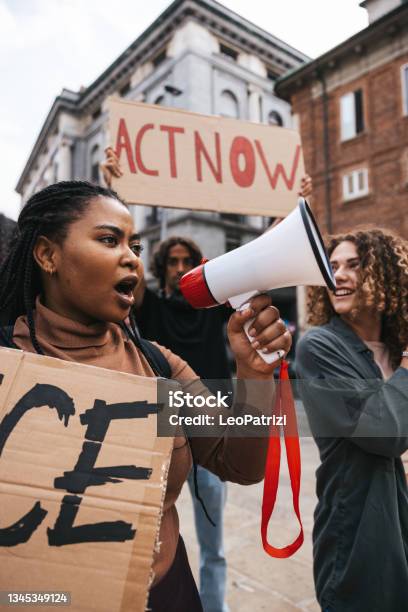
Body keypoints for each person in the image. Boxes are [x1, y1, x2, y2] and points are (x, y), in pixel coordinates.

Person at [0, 180, 292, 612]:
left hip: (166, 594)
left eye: (134, 245)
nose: (130, 257)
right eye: (108, 239)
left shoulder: (161, 367)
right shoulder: (8, 365)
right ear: (47, 255)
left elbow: (241, 465)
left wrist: (254, 375)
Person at [101, 146, 313, 612]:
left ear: (197, 267)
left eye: (186, 261)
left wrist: (292, 210)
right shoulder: (150, 306)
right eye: (171, 261)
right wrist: (115, 194)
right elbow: (121, 256)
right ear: (160, 269)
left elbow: (259, 256)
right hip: (161, 430)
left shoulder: (216, 304)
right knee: (149, 541)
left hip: (212, 423)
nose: (179, 267)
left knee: (213, 547)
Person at [295, 228, 408, 612]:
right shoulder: (320, 346)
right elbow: (387, 433)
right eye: (332, 267)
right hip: (359, 530)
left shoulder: (396, 347)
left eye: (353, 266)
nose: (338, 275)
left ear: (384, 274)